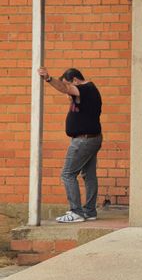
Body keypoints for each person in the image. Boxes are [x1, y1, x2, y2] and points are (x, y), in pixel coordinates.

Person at [38, 67, 103, 224]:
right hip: (91, 138)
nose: (68, 91)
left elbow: (65, 88)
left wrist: (48, 79)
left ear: (75, 80)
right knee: (89, 175)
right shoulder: (89, 91)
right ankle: (90, 211)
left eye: (69, 84)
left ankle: (76, 212)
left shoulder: (85, 89)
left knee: (67, 174)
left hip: (83, 140)